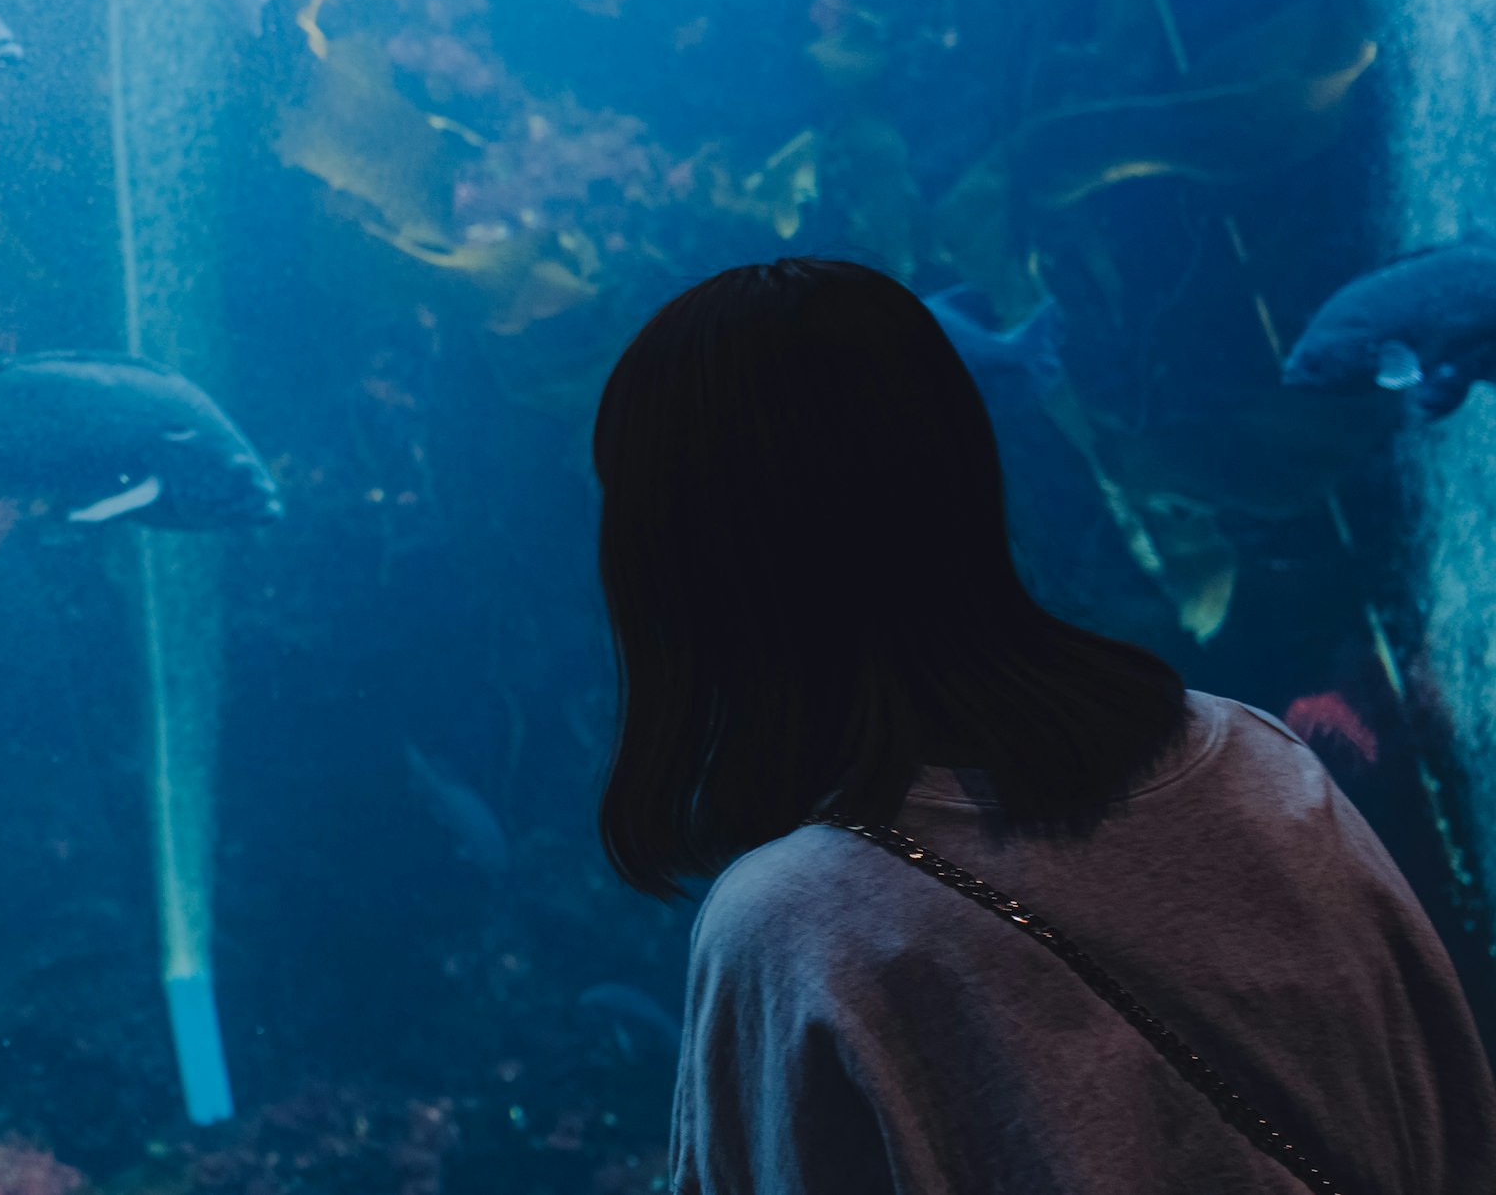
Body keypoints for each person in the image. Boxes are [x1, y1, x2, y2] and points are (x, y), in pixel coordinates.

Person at [594, 257, 1494, 1193]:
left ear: (691, 564)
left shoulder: (791, 927)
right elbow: (1461, 1130)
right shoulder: (1258, 765)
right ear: (966, 476)